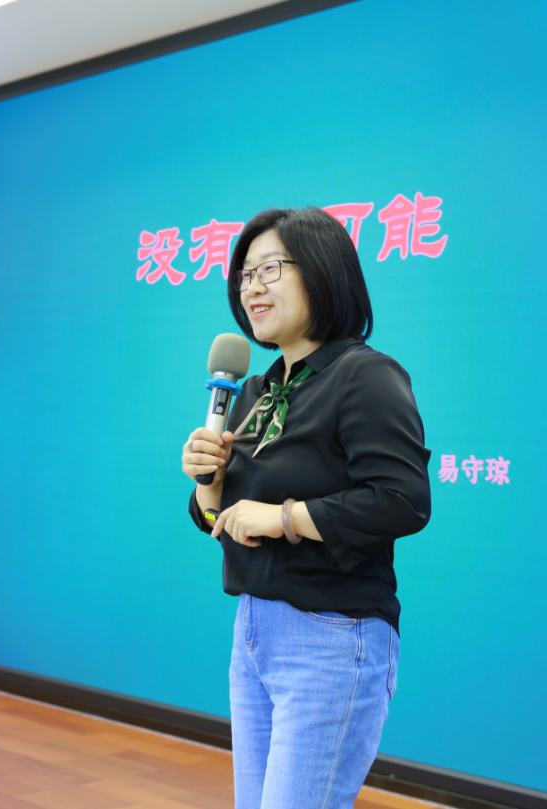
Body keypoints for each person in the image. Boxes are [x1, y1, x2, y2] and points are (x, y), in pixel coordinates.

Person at [181, 207, 431, 809]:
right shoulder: (257, 391)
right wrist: (208, 482)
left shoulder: (364, 375)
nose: (253, 287)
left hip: (331, 636)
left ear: (322, 271)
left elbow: (402, 500)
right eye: (245, 275)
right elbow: (220, 522)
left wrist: (284, 517)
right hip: (253, 633)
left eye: (271, 268)